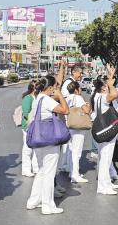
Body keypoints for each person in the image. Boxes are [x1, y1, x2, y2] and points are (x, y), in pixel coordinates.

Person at [26, 75, 69, 215]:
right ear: (50, 88)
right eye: (55, 87)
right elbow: (65, 110)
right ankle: (48, 205)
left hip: (39, 139)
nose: (56, 89)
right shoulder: (47, 100)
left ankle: (33, 201)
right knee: (49, 173)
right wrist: (60, 95)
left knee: (41, 171)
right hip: (49, 140)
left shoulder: (37, 99)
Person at [90, 65, 118, 195]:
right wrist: (110, 82)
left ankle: (107, 183)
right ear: (103, 88)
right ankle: (102, 187)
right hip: (106, 130)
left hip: (104, 129)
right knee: (105, 158)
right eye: (107, 86)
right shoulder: (102, 97)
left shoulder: (97, 96)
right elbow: (115, 94)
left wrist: (110, 78)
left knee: (106, 158)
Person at [65, 80, 91, 183]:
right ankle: (75, 175)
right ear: (76, 89)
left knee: (72, 149)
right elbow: (86, 110)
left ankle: (71, 171)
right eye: (79, 88)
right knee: (77, 151)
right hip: (78, 127)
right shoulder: (78, 98)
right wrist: (88, 105)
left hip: (70, 125)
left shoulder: (67, 98)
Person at [21, 80, 39, 177]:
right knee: (28, 148)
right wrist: (29, 125)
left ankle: (36, 168)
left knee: (36, 148)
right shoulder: (28, 98)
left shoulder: (37, 97)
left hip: (36, 126)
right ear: (33, 88)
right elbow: (25, 113)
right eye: (38, 87)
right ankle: (26, 169)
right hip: (28, 126)